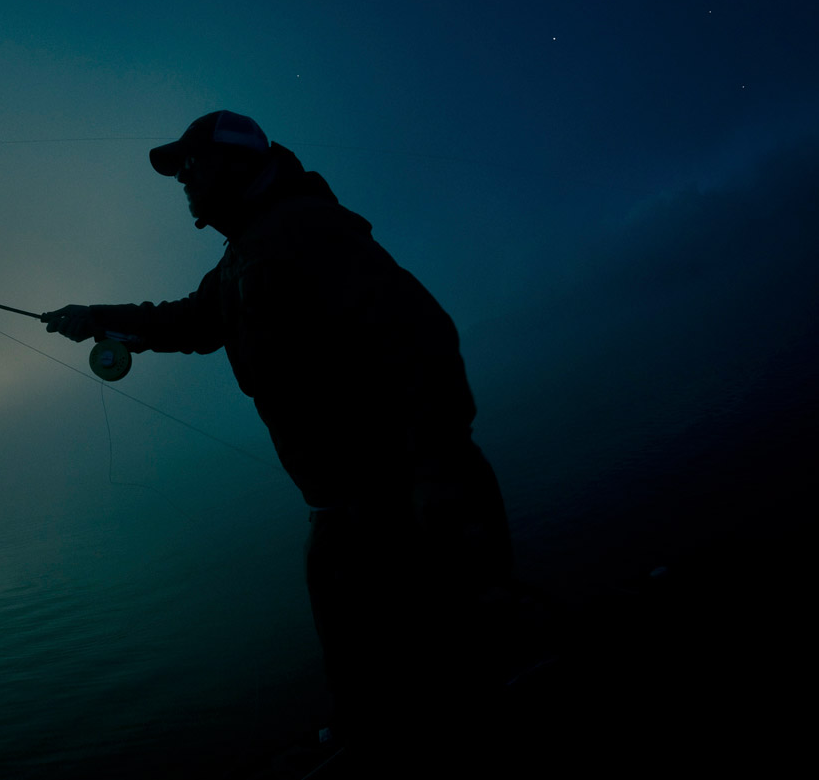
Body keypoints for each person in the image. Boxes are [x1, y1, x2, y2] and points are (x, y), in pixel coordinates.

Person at [43, 110, 513, 756]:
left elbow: (422, 336)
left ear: (237, 162)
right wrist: (96, 316)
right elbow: (192, 321)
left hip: (398, 496)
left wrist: (437, 469)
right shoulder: (244, 254)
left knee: (451, 656)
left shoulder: (308, 229)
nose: (182, 180)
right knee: (377, 669)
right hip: (342, 508)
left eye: (190, 165)